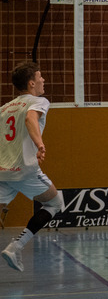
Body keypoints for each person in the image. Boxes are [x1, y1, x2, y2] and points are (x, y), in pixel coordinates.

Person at [0, 62, 66, 272]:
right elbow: (30, 118)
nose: (43, 80)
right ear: (31, 83)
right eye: (40, 77)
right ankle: (15, 246)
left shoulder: (4, 109)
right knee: (55, 203)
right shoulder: (38, 101)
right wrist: (39, 144)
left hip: (3, 171)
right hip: (25, 170)